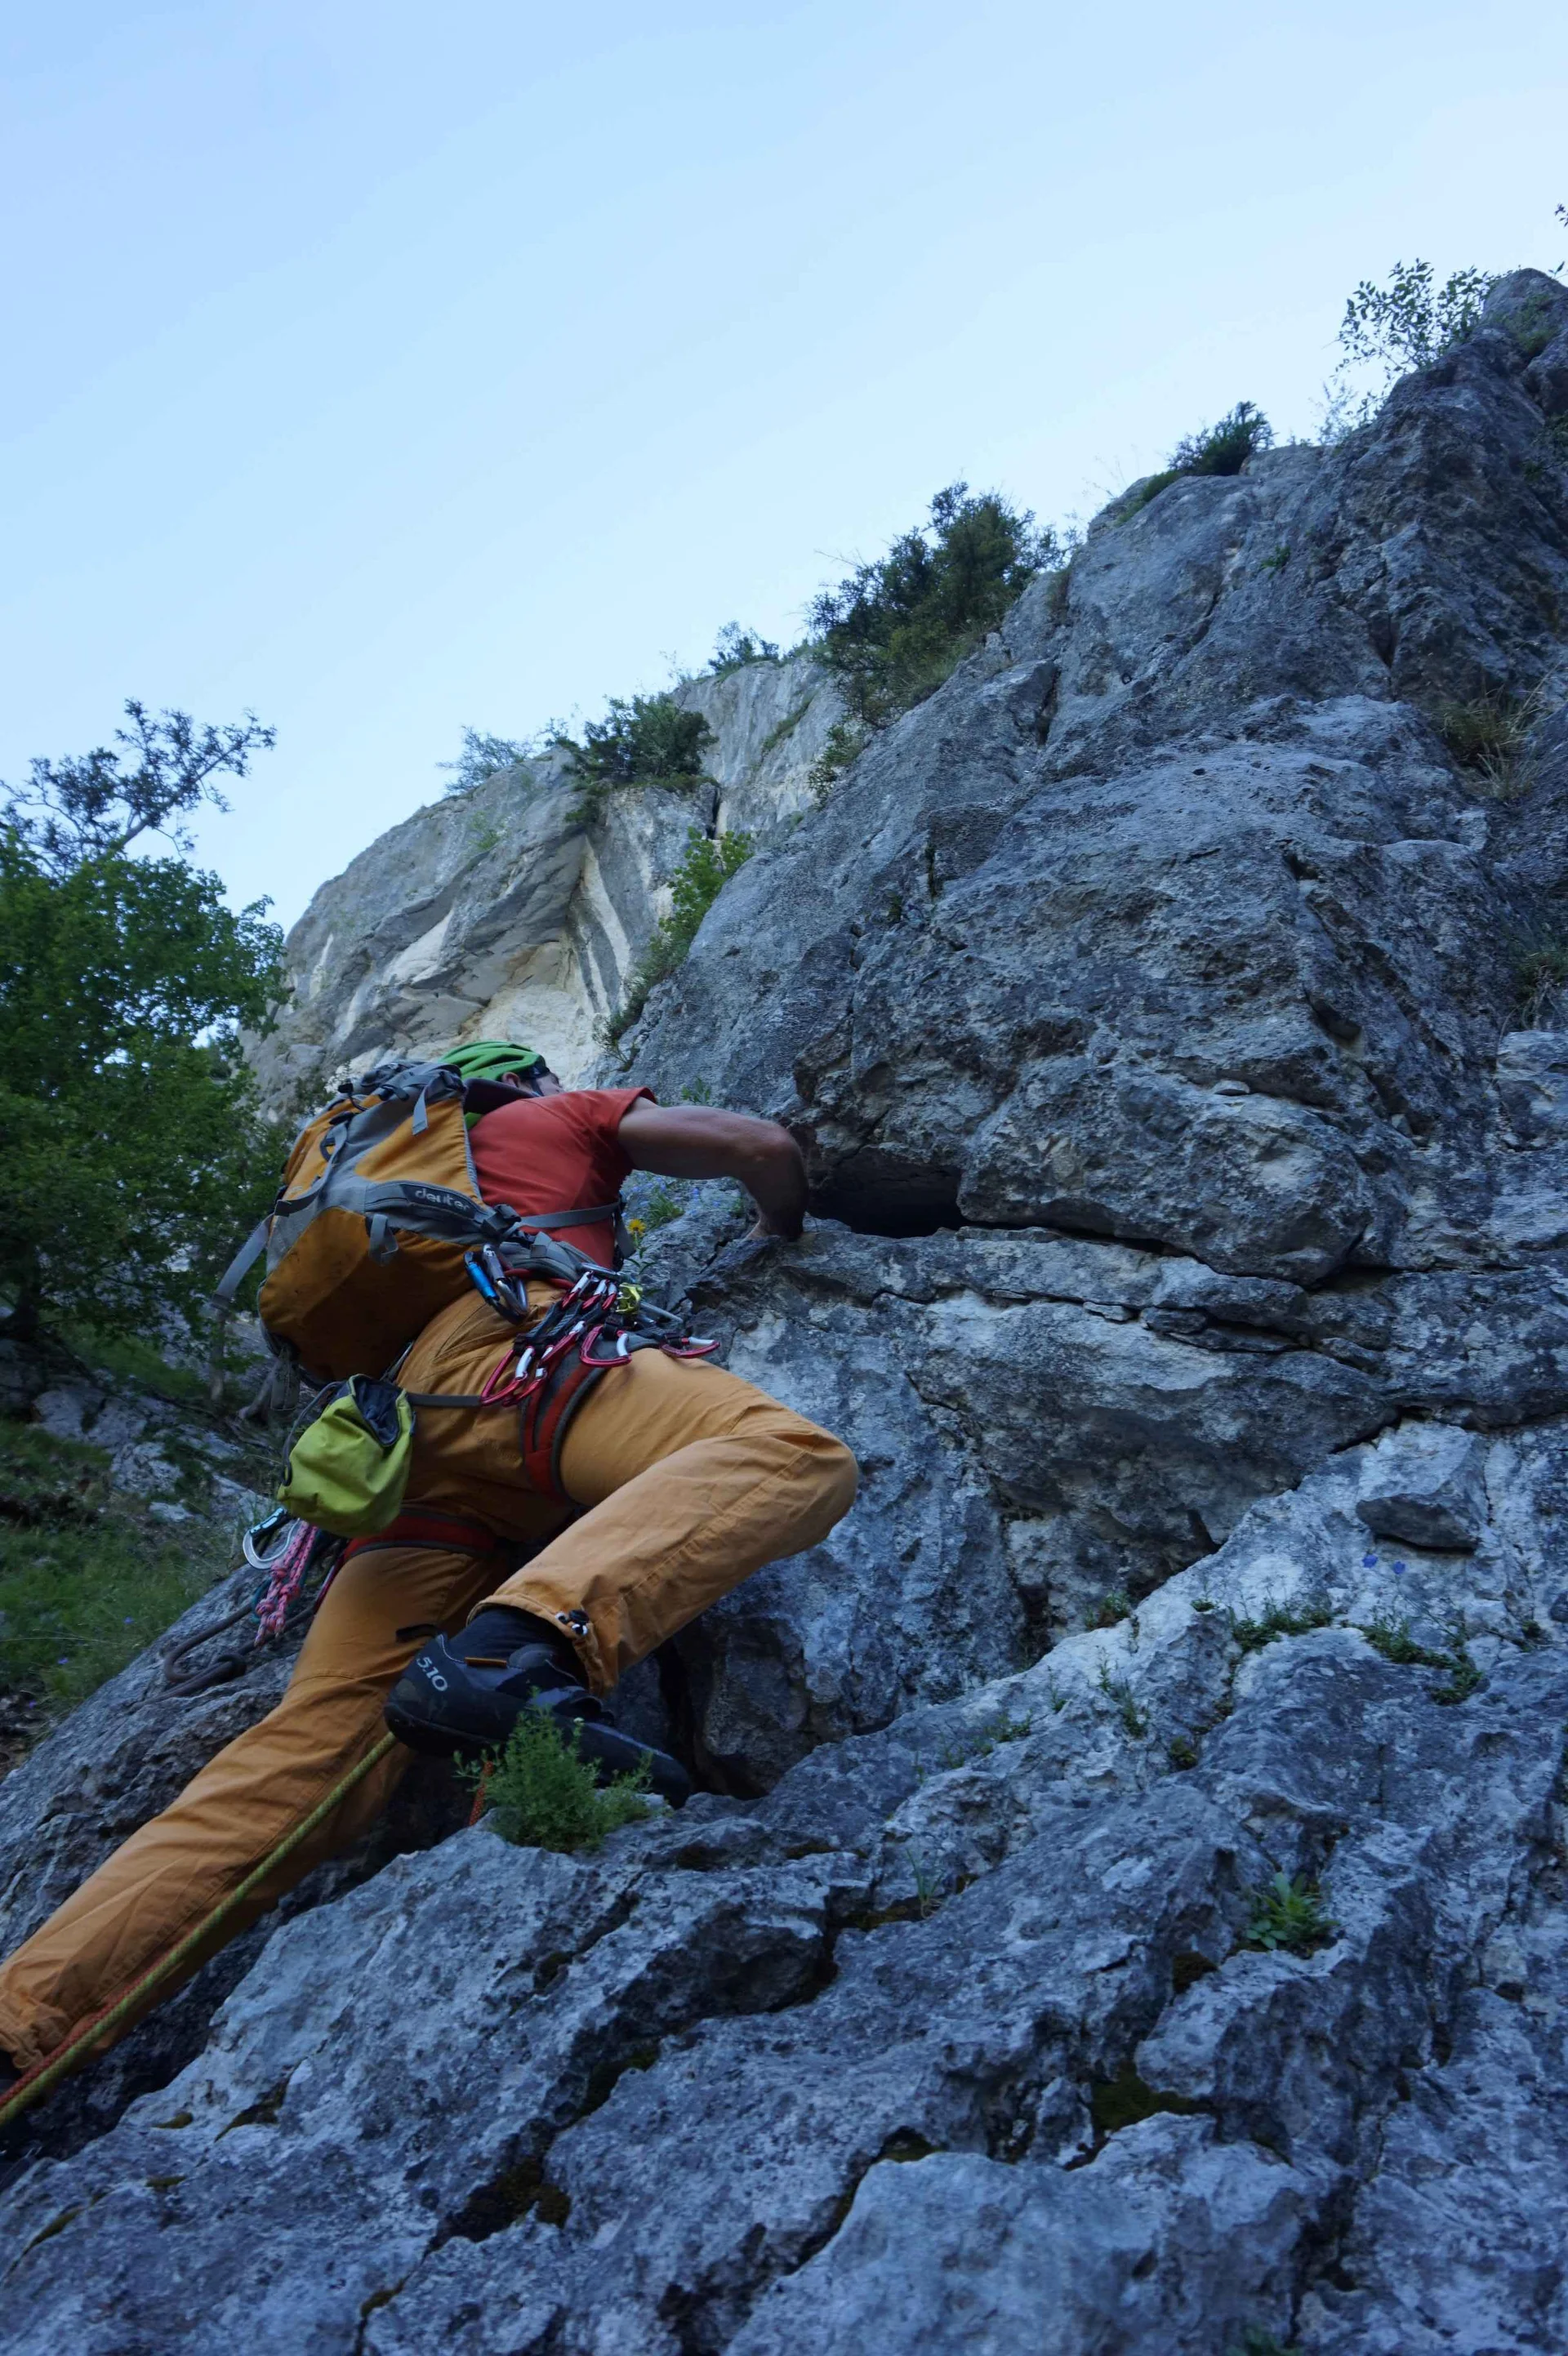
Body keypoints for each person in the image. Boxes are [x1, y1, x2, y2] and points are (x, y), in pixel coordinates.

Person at [0, 1044, 858, 2100]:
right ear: (519, 1081)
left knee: (304, 1752)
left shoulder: (378, 1196)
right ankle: (516, 1656)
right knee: (786, 1457)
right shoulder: (553, 1118)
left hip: (404, 1460)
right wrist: (784, 1229)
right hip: (525, 1361)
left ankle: (23, 2012)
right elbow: (755, 1147)